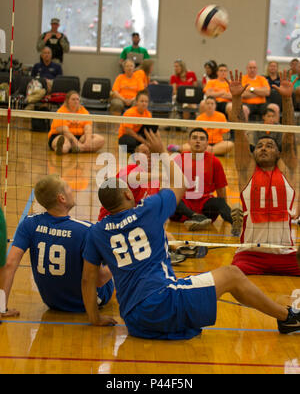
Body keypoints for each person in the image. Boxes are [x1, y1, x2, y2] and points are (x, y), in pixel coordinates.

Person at [81, 129, 300, 338]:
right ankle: (288, 318)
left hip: (132, 318)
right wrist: (163, 153)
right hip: (163, 302)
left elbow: (88, 280)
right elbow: (181, 184)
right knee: (232, 274)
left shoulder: (96, 232)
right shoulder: (148, 210)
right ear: (129, 194)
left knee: (177, 261)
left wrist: (95, 318)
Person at [0, 175, 115, 316]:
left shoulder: (29, 223)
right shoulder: (85, 230)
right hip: (89, 302)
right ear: (62, 198)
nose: (71, 189)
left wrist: (1, 307)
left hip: (52, 302)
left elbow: (10, 264)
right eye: (67, 187)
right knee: (110, 256)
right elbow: (100, 280)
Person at [227, 69, 300, 276]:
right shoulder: (247, 170)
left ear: (279, 153)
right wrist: (236, 98)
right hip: (251, 254)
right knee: (230, 275)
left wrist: (287, 100)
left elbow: (289, 136)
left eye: (269, 145)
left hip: (285, 254)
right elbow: (239, 133)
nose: (264, 148)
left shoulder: (287, 169)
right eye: (259, 146)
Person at [98, 143, 185, 265]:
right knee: (157, 233)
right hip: (111, 224)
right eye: (144, 153)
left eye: (152, 154)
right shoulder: (129, 169)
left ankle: (182, 249)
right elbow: (133, 178)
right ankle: (166, 252)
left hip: (131, 224)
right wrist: (163, 176)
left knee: (164, 233)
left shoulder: (154, 181)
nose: (149, 156)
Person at [168, 128, 235, 233]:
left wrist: (223, 208)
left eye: (202, 139)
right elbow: (171, 189)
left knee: (220, 202)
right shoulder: (178, 160)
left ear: (207, 144)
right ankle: (195, 217)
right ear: (189, 142)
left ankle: (235, 223)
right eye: (194, 138)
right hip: (183, 206)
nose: (198, 141)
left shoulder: (214, 161)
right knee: (169, 198)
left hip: (205, 206)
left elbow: (221, 189)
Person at [48, 90, 105, 155]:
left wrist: (87, 142)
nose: (76, 101)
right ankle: (65, 148)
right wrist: (77, 143)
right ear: (67, 101)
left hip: (80, 137)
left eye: (77, 99)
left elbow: (88, 128)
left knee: (100, 140)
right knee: (64, 146)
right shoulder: (61, 111)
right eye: (73, 99)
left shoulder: (83, 111)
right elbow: (64, 130)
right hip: (63, 135)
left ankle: (78, 149)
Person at [118, 89, 157, 154]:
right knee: (130, 142)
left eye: (146, 102)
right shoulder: (130, 112)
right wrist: (144, 141)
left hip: (138, 136)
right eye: (142, 101)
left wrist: (151, 143)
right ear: (136, 102)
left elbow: (148, 131)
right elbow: (128, 131)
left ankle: (141, 147)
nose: (144, 103)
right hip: (126, 136)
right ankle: (136, 149)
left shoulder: (148, 114)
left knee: (153, 125)